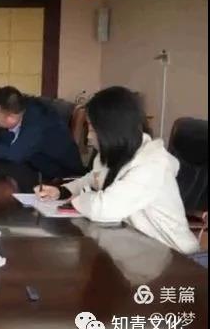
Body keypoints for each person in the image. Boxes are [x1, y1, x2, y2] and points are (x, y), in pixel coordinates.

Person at [35, 86, 200, 255]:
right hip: (137, 248)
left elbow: (103, 209)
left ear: (112, 129)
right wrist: (62, 191)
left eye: (92, 128)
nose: (89, 137)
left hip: (174, 257)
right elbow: (93, 178)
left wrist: (78, 199)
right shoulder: (117, 153)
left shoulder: (152, 165)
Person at [0, 86, 84, 180]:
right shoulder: (21, 110)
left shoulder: (37, 121)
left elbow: (16, 154)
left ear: (11, 118)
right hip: (36, 169)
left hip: (63, 178)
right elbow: (0, 136)